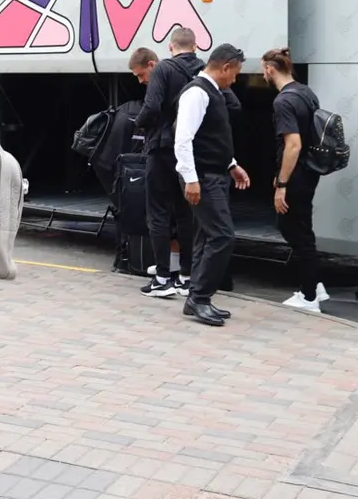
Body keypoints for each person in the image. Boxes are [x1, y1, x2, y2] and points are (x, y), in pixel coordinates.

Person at [134, 29, 242, 299]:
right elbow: (233, 105)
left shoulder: (163, 69)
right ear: (195, 46)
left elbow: (152, 107)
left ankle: (162, 278)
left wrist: (137, 125)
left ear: (170, 47)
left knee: (158, 212)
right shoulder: (205, 73)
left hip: (162, 147)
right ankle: (185, 275)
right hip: (192, 156)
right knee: (186, 214)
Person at [173, 43, 251, 326]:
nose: (235, 80)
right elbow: (183, 139)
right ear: (226, 66)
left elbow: (211, 138)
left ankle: (198, 297)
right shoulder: (197, 93)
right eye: (235, 73)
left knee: (207, 236)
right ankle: (199, 298)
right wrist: (191, 180)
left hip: (212, 174)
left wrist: (231, 166)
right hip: (202, 178)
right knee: (222, 236)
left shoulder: (211, 93)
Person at [262, 47, 330, 311]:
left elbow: (293, 145)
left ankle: (309, 296)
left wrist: (281, 183)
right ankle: (316, 286)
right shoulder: (306, 92)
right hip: (309, 172)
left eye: (263, 70)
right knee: (302, 228)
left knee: (294, 231)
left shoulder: (283, 101)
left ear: (269, 69)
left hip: (296, 174)